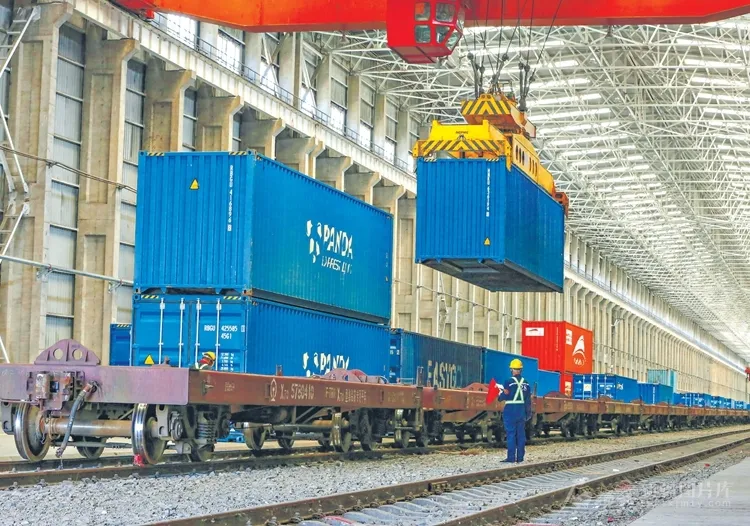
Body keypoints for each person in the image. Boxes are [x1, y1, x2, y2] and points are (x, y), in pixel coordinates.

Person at [498, 358, 532, 463]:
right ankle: (520, 458)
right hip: (521, 411)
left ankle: (511, 458)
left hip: (510, 410)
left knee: (511, 434)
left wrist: (499, 395)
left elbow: (504, 396)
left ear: (511, 369)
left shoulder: (508, 382)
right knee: (521, 435)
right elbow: (528, 401)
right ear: (521, 370)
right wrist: (528, 413)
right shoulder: (526, 383)